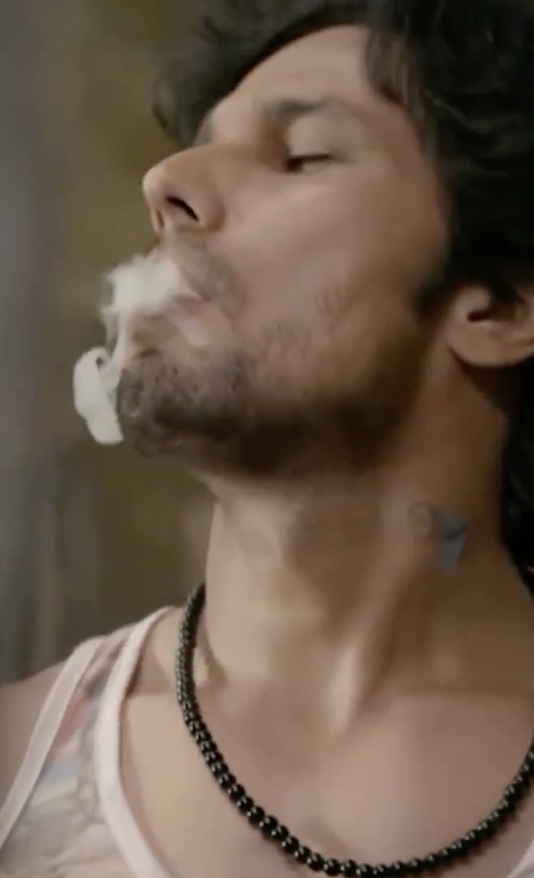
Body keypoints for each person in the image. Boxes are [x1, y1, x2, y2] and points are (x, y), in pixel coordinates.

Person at [3, 0, 534, 875]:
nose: (165, 183)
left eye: (302, 156)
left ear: (499, 306)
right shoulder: (13, 770)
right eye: (198, 145)